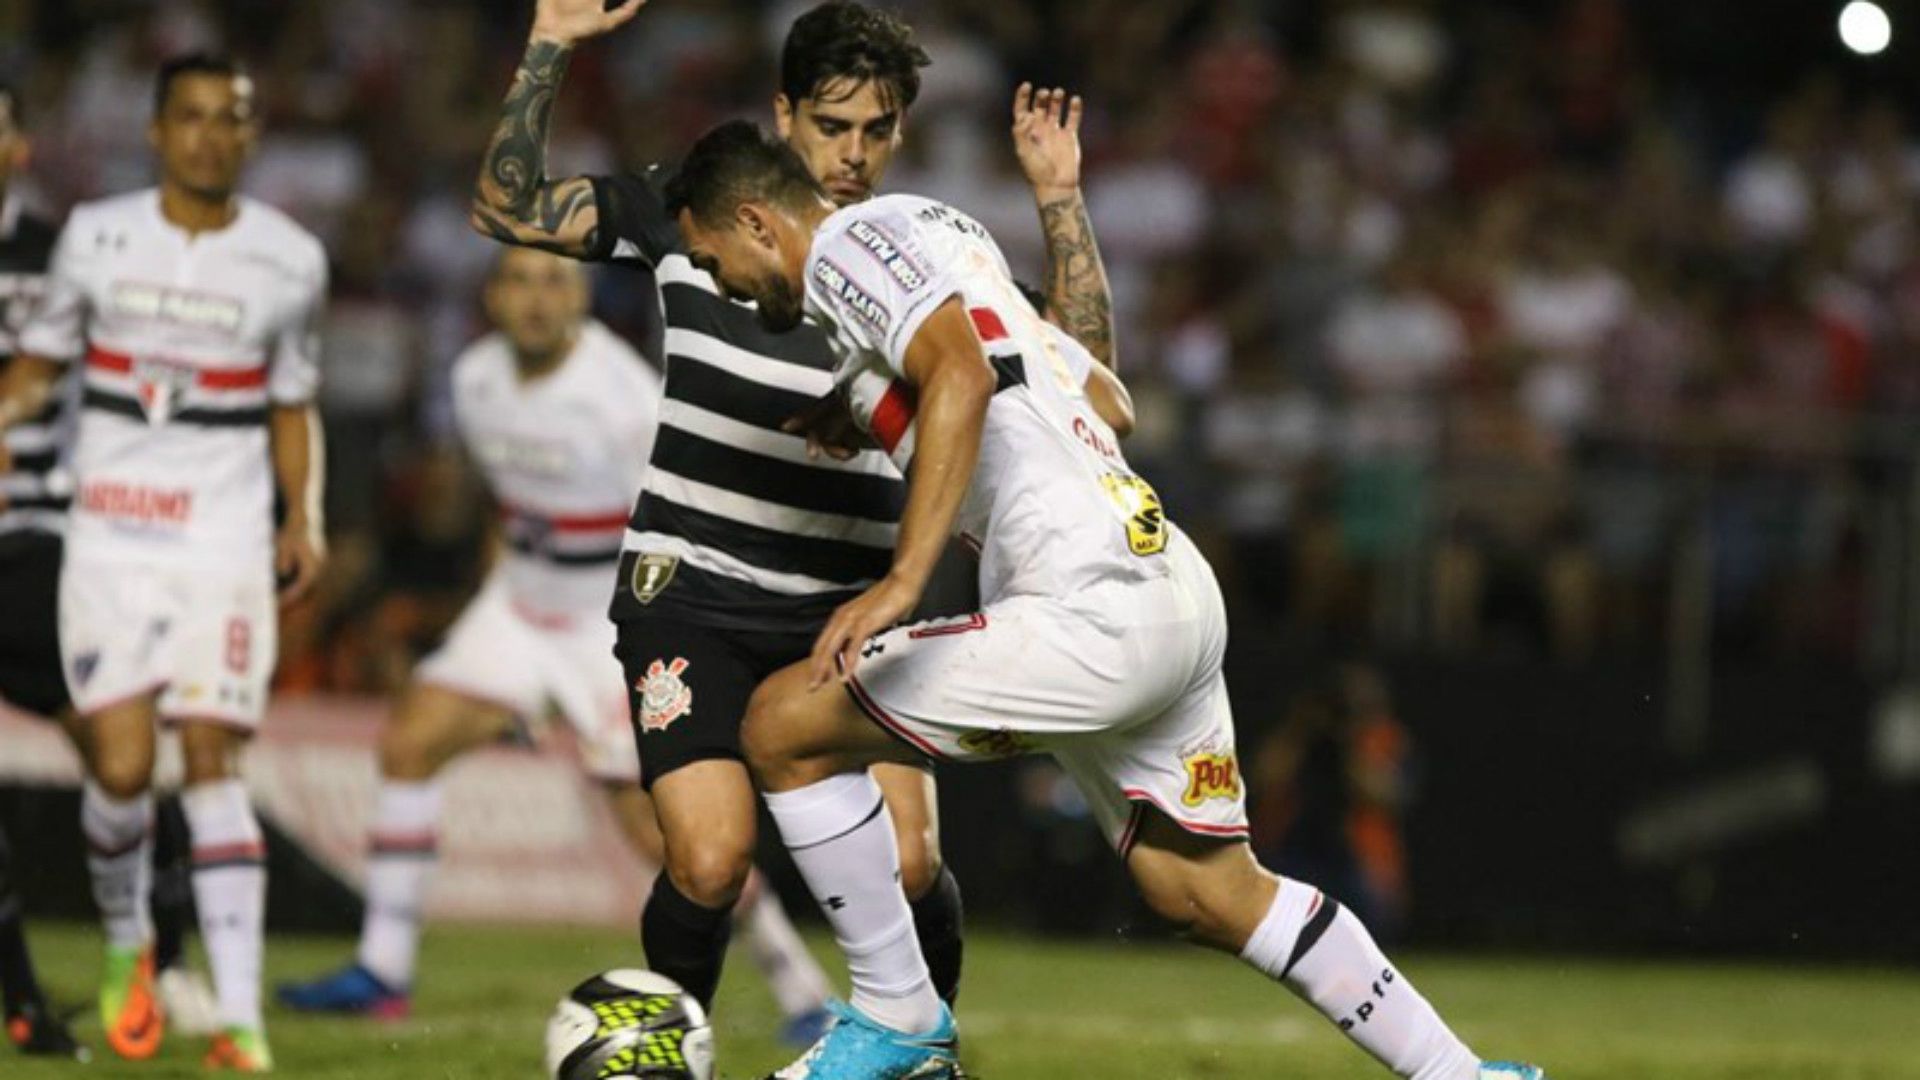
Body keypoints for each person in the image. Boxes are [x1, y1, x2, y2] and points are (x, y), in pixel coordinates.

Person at [669, 121, 1547, 1080]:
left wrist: (903, 582)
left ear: (756, 221)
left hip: (1082, 604)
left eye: (714, 259)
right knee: (1202, 891)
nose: (722, 286)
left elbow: (958, 369)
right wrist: (866, 407)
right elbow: (1108, 400)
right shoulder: (949, 243)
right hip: (1165, 580)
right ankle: (1464, 1077)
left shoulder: (842, 244)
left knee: (782, 724)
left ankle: (898, 1021)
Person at [462, 0, 1118, 1017]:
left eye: (876, 129)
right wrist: (548, 42)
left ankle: (921, 1056)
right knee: (712, 860)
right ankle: (674, 1051)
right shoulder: (695, 205)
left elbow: (1085, 379)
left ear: (902, 132)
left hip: (846, 610)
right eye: (830, 125)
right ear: (783, 113)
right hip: (694, 596)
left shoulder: (919, 259)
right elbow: (507, 212)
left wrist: (1061, 202)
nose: (853, 154)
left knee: (909, 865)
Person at [278, 247, 837, 1042]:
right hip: (520, 603)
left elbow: (681, 523)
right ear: (492, 296)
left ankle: (803, 990)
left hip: (608, 621)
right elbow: (507, 508)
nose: (536, 300)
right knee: (409, 742)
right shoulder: (474, 380)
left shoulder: (624, 399)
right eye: (518, 281)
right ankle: (383, 971)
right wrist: (483, 603)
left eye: (554, 282)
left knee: (669, 834)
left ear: (582, 297)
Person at [0, 54, 328, 1072]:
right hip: (106, 537)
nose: (208, 136)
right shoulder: (96, 239)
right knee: (124, 768)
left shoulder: (291, 259)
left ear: (250, 134)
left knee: (210, 755)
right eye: (189, 117)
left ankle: (239, 1019)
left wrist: (301, 517)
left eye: (228, 119)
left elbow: (291, 401)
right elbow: (39, 369)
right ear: (156, 131)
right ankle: (127, 939)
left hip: (221, 540)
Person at [0, 75, 85, 1063]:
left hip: (43, 542)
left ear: (21, 150)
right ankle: (22, 998)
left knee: (122, 752)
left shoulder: (68, 255)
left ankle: (167, 952)